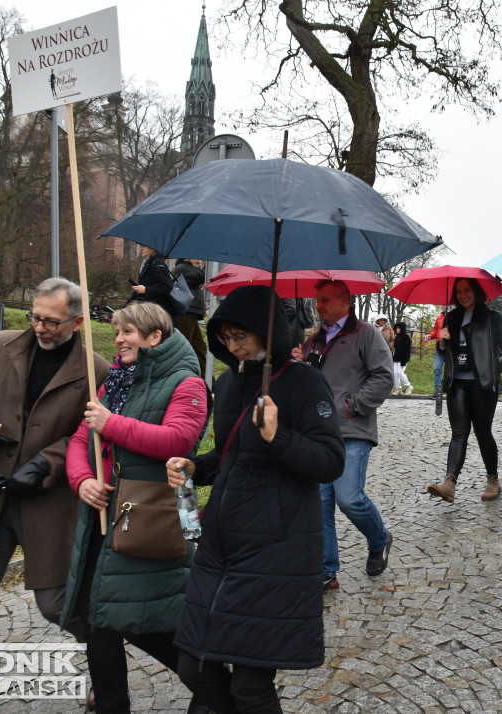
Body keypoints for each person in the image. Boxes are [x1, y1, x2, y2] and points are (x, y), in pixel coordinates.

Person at [164, 285, 345, 713]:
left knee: (250, 683)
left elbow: (329, 461)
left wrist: (278, 436)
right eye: (224, 337)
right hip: (221, 544)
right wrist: (197, 468)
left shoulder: (305, 382)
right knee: (194, 665)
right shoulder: (228, 384)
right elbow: (232, 454)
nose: (232, 345)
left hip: (276, 548)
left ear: (269, 332)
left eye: (240, 335)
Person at [0, 277, 109, 714]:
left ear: (78, 321)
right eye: (36, 317)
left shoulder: (96, 370)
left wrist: (46, 464)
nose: (42, 328)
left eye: (53, 321)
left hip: (47, 503)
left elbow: (88, 435)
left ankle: (108, 675)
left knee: (58, 607)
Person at [59, 301, 209, 714]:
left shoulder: (188, 384)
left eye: (127, 332)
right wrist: (82, 480)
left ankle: (214, 687)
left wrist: (112, 424)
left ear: (154, 337)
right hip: (102, 519)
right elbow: (78, 440)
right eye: (117, 331)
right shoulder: (115, 383)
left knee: (152, 624)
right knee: (96, 620)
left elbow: (177, 441)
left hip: (149, 518)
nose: (118, 339)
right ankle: (112, 705)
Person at [294, 279, 394, 593]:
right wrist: (298, 365)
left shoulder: (367, 334)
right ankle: (327, 571)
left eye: (324, 300)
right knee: (321, 503)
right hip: (319, 434)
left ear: (344, 301)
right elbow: (308, 382)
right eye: (316, 300)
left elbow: (384, 376)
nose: (318, 305)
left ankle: (380, 538)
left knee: (349, 497)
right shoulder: (314, 342)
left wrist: (351, 406)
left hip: (353, 430)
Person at [427, 278, 502, 503]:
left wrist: (493, 366)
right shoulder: (451, 318)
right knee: (459, 433)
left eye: (467, 290)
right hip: (456, 383)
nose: (463, 294)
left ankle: (493, 480)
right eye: (458, 291)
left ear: (476, 292)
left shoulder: (492, 318)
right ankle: (449, 483)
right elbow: (443, 355)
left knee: (482, 432)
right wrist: (441, 343)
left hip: (483, 385)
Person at [173, 258, 209, 378]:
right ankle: (174, 376)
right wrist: (202, 266)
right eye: (196, 257)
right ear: (187, 257)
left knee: (200, 349)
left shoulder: (186, 268)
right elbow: (201, 276)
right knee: (182, 348)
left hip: (190, 312)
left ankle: (210, 383)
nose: (199, 259)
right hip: (186, 311)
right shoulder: (183, 267)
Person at [128, 244, 175, 314]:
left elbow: (167, 286)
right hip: (152, 309)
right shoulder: (150, 262)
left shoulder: (157, 262)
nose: (140, 249)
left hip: (157, 311)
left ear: (152, 248)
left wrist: (146, 290)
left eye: (143, 246)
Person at [424, 310, 446, 396]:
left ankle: (451, 391)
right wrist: (430, 335)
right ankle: (438, 392)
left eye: (443, 305)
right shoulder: (439, 318)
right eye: (441, 305)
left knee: (450, 371)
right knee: (437, 369)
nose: (442, 306)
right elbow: (436, 331)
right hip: (439, 348)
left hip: (450, 349)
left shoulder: (454, 316)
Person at [391, 321, 414, 395]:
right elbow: (395, 349)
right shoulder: (397, 338)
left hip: (403, 359)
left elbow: (408, 350)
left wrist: (405, 360)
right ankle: (398, 389)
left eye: (399, 328)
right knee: (395, 373)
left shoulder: (406, 337)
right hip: (396, 358)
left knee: (400, 372)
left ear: (402, 328)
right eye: (396, 328)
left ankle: (408, 386)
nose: (397, 329)